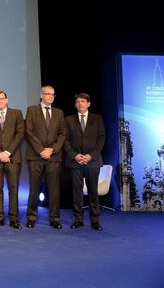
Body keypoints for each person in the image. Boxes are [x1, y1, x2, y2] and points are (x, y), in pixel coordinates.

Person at [25, 85, 66, 229]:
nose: (50, 97)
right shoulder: (31, 110)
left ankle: (54, 218)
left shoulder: (59, 113)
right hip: (36, 156)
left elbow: (62, 133)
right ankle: (31, 216)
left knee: (54, 189)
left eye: (53, 94)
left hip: (54, 157)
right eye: (48, 94)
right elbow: (28, 131)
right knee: (34, 189)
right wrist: (41, 150)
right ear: (41, 95)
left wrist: (52, 149)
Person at [64, 93, 105, 231]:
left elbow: (101, 139)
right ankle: (78, 219)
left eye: (83, 101)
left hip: (92, 161)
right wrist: (75, 155)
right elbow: (65, 140)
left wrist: (90, 156)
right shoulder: (68, 120)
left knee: (93, 191)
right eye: (78, 102)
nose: (80, 104)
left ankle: (95, 220)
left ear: (88, 104)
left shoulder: (97, 118)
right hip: (75, 162)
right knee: (77, 192)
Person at [0, 91, 24, 229]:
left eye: (1, 99)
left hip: (12, 158)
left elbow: (20, 134)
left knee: (13, 188)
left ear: (6, 100)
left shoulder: (17, 113)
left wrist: (7, 152)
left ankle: (14, 218)